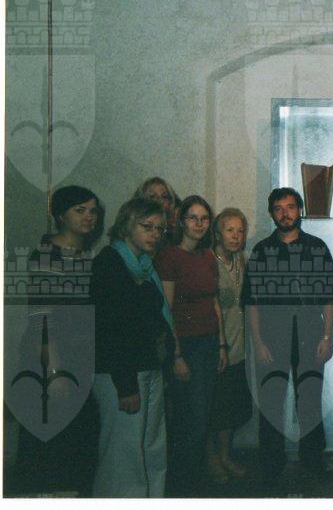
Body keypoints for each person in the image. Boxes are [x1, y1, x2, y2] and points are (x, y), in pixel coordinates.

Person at [245, 187, 333, 489]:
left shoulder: (317, 248)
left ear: (300, 210)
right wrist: (257, 343)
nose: (285, 213)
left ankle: (313, 460)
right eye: (278, 208)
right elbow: (251, 303)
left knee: (310, 401)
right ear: (272, 214)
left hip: (310, 336)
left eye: (290, 207)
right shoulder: (261, 251)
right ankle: (271, 464)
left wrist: (328, 337)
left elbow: (328, 298)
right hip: (272, 339)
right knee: (270, 402)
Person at [13, 186, 104, 496]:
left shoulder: (83, 254)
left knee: (75, 444)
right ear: (61, 215)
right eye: (80, 210)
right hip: (49, 359)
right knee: (49, 445)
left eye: (93, 211)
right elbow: (42, 317)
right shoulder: (47, 255)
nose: (89, 216)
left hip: (76, 357)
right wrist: (54, 371)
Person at [90, 197, 173, 497]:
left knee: (152, 448)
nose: (155, 234)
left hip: (148, 366)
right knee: (123, 455)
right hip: (122, 373)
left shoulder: (144, 265)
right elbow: (110, 330)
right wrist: (125, 385)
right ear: (127, 226)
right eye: (146, 226)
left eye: (160, 229)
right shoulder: (110, 263)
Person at [155, 195, 227, 494]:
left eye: (204, 218)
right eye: (193, 218)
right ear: (181, 221)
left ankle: (193, 482)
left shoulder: (208, 256)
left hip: (209, 343)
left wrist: (221, 345)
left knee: (203, 414)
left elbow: (214, 303)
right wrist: (176, 355)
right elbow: (166, 310)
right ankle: (182, 486)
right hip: (185, 346)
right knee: (190, 420)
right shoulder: (169, 256)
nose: (199, 224)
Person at [206, 208, 253, 484]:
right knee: (214, 408)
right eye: (229, 230)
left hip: (239, 349)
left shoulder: (241, 261)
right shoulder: (208, 262)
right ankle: (212, 459)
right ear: (217, 233)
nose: (236, 236)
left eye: (240, 230)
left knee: (232, 409)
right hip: (215, 349)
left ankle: (225, 456)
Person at [134, 177, 181, 248]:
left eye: (164, 197)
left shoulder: (174, 231)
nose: (160, 201)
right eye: (152, 197)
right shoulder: (136, 229)